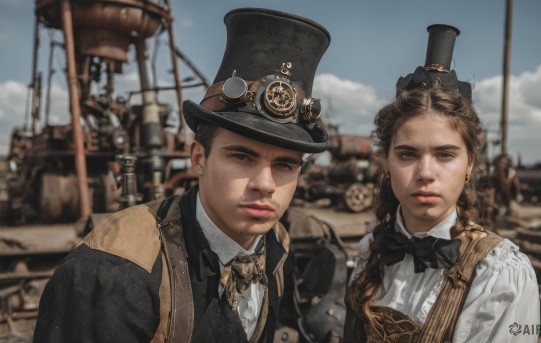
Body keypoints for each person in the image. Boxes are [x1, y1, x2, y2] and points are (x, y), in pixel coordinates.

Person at [33, 8, 330, 343]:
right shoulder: (109, 276)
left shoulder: (276, 246)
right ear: (199, 158)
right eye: (242, 157)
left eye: (285, 165)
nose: (265, 184)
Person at [343, 25, 540, 342]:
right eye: (407, 154)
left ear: (470, 163)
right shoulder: (370, 249)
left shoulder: (499, 273)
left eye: (445, 155)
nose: (425, 173)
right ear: (386, 162)